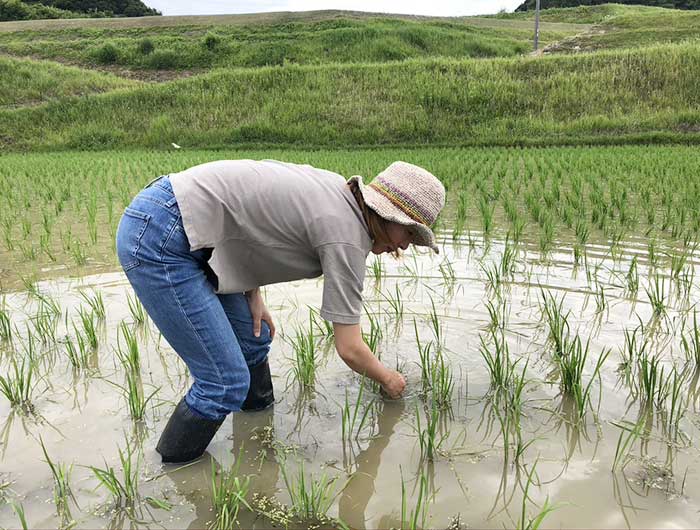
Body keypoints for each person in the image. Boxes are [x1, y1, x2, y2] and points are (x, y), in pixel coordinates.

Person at [115, 159, 445, 464]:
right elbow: (350, 348)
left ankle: (256, 439)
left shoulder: (339, 194)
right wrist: (389, 379)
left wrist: (252, 293)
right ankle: (172, 476)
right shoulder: (346, 235)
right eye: (409, 233)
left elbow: (247, 218)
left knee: (253, 339)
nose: (406, 246)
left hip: (190, 224)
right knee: (223, 382)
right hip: (162, 235)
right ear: (386, 213)